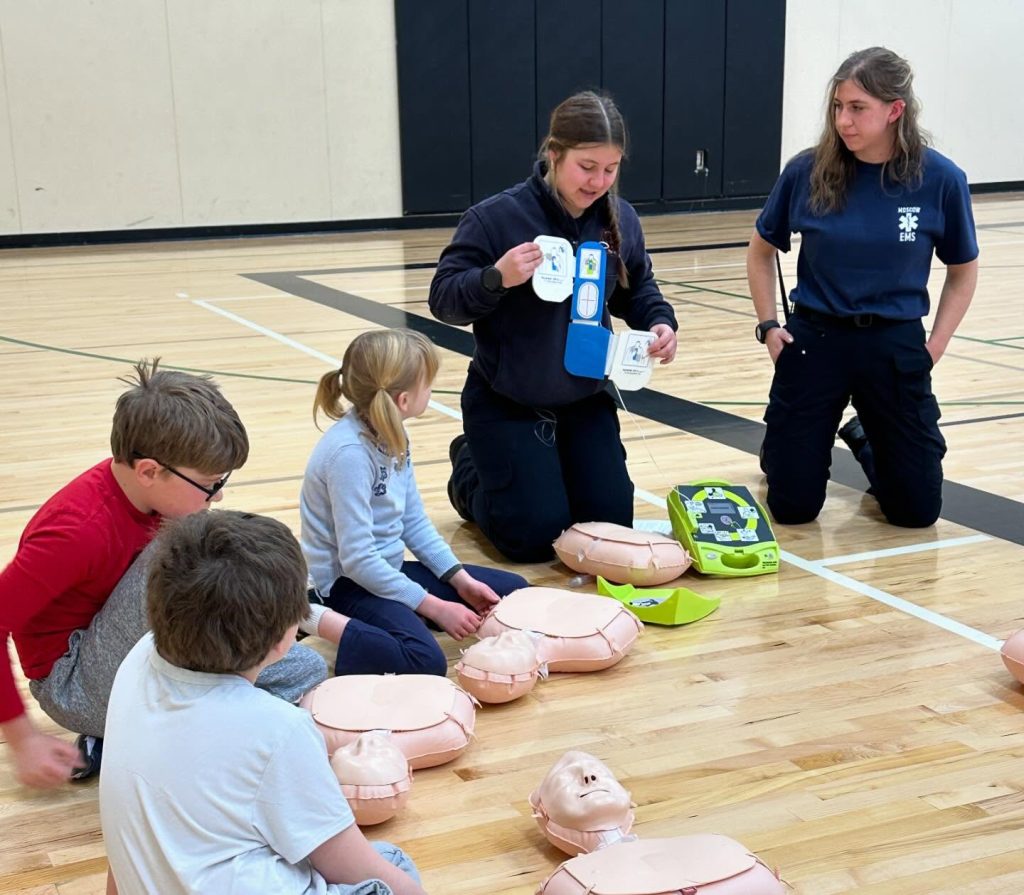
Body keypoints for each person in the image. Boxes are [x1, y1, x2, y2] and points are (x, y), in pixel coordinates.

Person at [0, 360, 327, 789]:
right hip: (75, 683)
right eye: (210, 483)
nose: (219, 492)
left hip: (127, 652)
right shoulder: (77, 531)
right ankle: (133, 729)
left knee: (306, 670)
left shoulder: (148, 487)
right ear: (149, 470)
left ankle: (138, 732)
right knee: (188, 545)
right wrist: (22, 739)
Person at [100, 509, 428, 895]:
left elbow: (125, 836)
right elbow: (352, 866)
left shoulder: (139, 658)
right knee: (391, 864)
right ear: (283, 640)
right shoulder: (278, 731)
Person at [428, 91, 679, 563]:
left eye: (611, 168)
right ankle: (469, 466)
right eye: (587, 167)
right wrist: (495, 277)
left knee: (608, 527)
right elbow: (443, 299)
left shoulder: (619, 219)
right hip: (509, 401)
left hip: (584, 400)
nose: (599, 181)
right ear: (553, 154)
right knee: (532, 539)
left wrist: (661, 323)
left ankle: (538, 470)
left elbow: (638, 288)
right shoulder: (495, 218)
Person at [747, 47, 978, 527]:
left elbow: (963, 271)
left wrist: (933, 346)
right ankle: (787, 443)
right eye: (837, 106)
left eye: (857, 108)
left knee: (915, 512)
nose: (843, 121)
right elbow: (760, 250)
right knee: (792, 508)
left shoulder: (940, 180)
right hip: (815, 340)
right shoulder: (806, 171)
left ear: (895, 111)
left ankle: (865, 436)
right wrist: (770, 326)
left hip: (893, 343)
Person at [299, 329, 526, 677]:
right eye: (428, 384)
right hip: (344, 584)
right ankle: (337, 625)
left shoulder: (392, 432)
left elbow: (413, 522)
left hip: (385, 570)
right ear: (404, 400)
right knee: (426, 661)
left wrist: (459, 579)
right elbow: (357, 560)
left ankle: (403, 615)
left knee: (514, 593)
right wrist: (434, 606)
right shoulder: (349, 455)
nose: (431, 391)